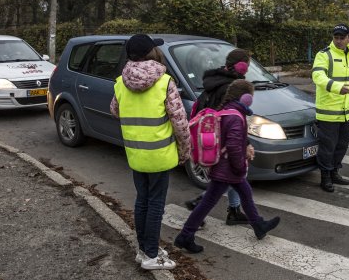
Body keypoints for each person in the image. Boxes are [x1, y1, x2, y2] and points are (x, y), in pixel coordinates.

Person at [110, 34, 191, 270]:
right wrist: (184, 150)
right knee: (156, 204)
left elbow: (115, 110)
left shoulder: (120, 82)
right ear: (152, 53)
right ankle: (152, 256)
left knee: (142, 201)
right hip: (160, 154)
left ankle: (144, 249)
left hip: (136, 154)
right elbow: (180, 122)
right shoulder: (165, 82)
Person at [174, 80, 281, 253]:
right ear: (245, 98)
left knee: (245, 194)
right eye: (251, 96)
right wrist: (240, 167)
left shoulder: (226, 112)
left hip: (223, 165)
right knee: (208, 202)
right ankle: (185, 235)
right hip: (229, 168)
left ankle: (259, 225)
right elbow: (232, 146)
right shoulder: (235, 117)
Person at [184, 49, 254, 225]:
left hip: (212, 137)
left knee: (234, 176)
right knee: (231, 175)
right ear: (242, 67)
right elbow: (233, 118)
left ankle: (234, 210)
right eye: (247, 65)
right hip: (223, 139)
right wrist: (246, 143)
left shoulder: (215, 81)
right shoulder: (230, 87)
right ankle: (199, 206)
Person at [311, 24, 349, 192]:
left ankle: (335, 172)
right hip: (328, 111)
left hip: (345, 110)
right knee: (327, 147)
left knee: (342, 145)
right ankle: (325, 177)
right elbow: (318, 76)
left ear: (348, 38)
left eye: (341, 38)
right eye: (335, 37)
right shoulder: (324, 55)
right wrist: (337, 87)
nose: (338, 41)